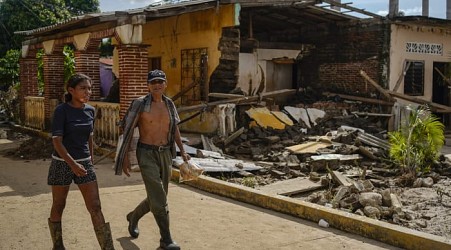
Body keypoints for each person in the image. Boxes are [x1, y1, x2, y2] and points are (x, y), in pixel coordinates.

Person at [114, 69, 190, 250]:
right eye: (153, 82)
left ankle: (134, 216)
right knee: (159, 198)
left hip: (165, 153)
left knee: (158, 196)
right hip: (146, 153)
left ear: (165, 84)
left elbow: (174, 129)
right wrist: (124, 157)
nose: (157, 85)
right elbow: (127, 129)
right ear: (148, 85)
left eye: (160, 82)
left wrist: (182, 150)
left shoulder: (169, 104)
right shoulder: (140, 104)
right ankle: (166, 240)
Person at [47, 73, 115, 250]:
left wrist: (90, 160)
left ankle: (108, 248)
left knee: (95, 206)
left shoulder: (90, 111)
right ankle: (58, 244)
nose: (88, 92)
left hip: (84, 163)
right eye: (83, 88)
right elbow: (57, 141)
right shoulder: (61, 111)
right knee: (59, 204)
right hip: (62, 163)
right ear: (71, 90)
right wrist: (72, 164)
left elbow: (89, 138)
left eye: (90, 88)